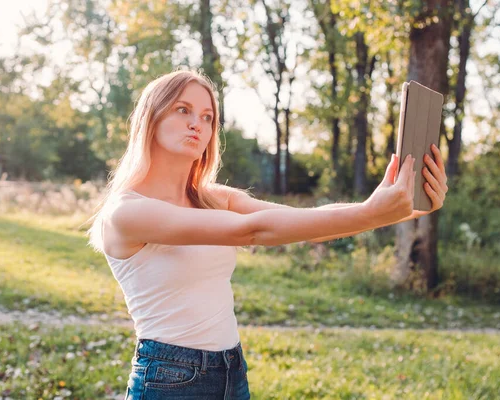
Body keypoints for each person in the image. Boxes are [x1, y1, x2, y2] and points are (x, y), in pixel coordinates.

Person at [86, 69, 448, 399]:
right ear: (153, 116)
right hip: (170, 378)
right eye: (183, 110)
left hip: (230, 370)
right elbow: (253, 231)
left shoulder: (214, 199)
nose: (197, 123)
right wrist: (372, 212)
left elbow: (308, 221)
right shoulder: (127, 211)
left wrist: (406, 208)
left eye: (207, 117)